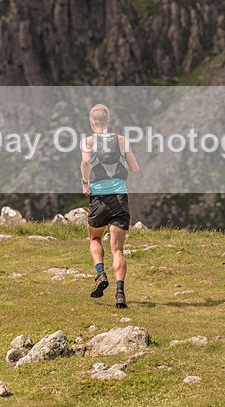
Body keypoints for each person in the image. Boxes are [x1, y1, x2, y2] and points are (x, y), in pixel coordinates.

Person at [80, 104, 139, 309]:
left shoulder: (88, 141)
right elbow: (134, 168)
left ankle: (100, 273)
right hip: (120, 198)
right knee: (118, 249)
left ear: (91, 122)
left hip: (99, 199)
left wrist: (84, 182)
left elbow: (86, 162)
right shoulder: (122, 141)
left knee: (95, 237)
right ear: (109, 121)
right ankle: (120, 293)